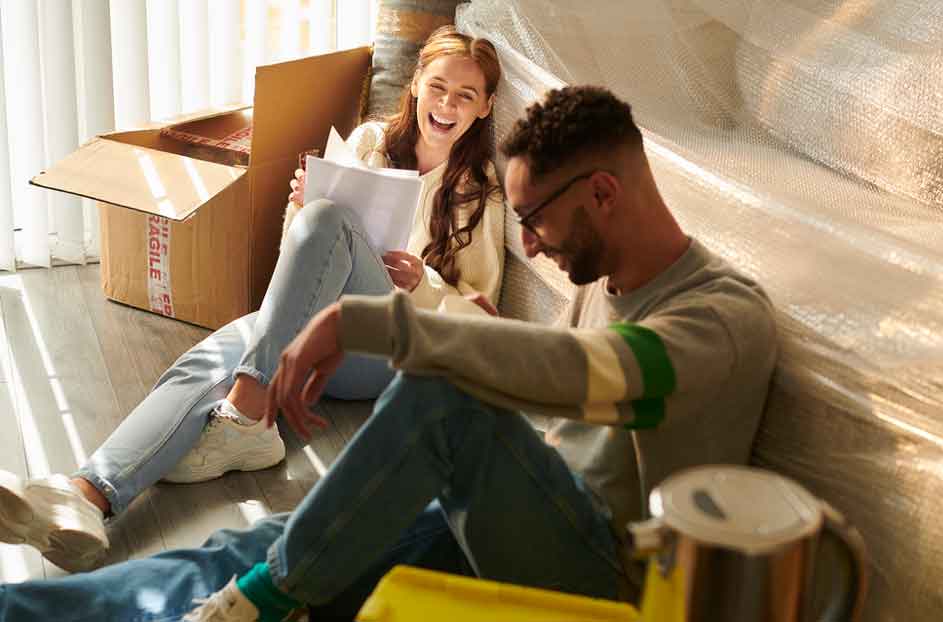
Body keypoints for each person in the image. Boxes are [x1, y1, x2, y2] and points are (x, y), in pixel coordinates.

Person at [0, 85, 779, 622]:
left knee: (441, 404)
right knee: (248, 548)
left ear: (604, 194)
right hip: (520, 509)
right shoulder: (604, 279)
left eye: (536, 218)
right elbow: (558, 385)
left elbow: (597, 377)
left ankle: (266, 598)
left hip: (610, 575)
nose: (530, 242)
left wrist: (382, 324)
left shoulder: (724, 316)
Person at [0, 26, 505, 573]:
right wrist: (302, 209)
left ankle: (246, 412)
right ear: (415, 86)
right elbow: (303, 257)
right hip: (314, 336)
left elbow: (479, 319)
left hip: (387, 355)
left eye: (465, 96)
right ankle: (85, 496)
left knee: (323, 229)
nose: (447, 104)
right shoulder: (369, 144)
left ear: (484, 108)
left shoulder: (481, 191)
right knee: (206, 362)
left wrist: (422, 283)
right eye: (438, 87)